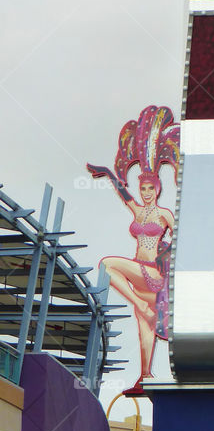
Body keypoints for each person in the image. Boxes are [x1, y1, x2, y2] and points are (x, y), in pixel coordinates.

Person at [87, 104, 179, 388]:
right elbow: (121, 190)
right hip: (139, 281)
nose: (146, 192)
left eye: (151, 188)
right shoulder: (138, 212)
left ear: (158, 189)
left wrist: (170, 257)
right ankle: (145, 376)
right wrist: (106, 173)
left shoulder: (165, 215)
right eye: (143, 188)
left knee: (107, 265)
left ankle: (139, 302)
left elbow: (181, 241)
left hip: (150, 273)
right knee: (144, 328)